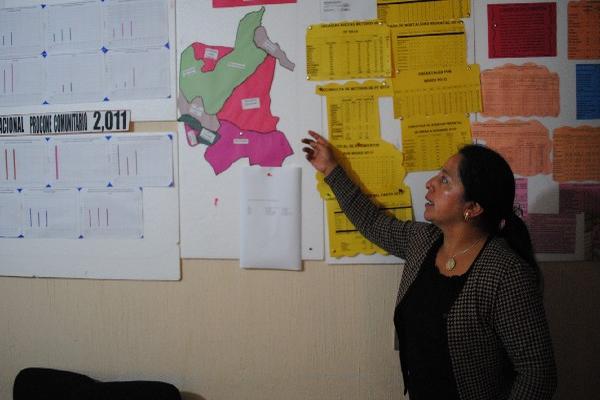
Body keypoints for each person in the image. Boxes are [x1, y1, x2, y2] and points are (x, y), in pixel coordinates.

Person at [301, 130, 557, 400]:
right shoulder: (422, 241)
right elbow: (372, 222)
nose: (429, 183)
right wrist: (330, 169)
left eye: (445, 180)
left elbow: (538, 373)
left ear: (472, 207)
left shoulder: (506, 273)